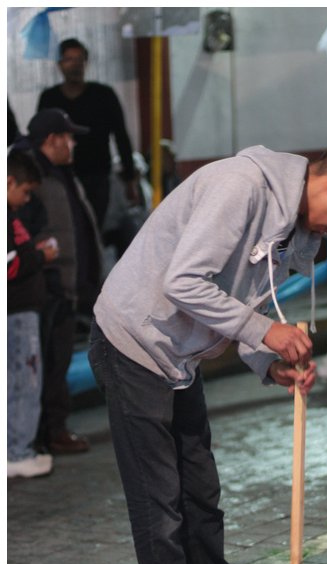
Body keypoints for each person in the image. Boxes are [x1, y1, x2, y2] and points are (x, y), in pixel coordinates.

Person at [88, 144, 327, 564]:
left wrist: (263, 361)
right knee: (159, 501)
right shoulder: (241, 187)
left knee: (200, 490)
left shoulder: (291, 219)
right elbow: (183, 283)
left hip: (178, 352)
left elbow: (245, 296)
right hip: (135, 340)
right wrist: (266, 333)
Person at [17, 108, 103, 455]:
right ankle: (43, 433)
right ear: (52, 139)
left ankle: (50, 429)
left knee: (59, 360)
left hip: (67, 283)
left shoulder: (62, 174)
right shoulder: (30, 175)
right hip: (46, 285)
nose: (72, 144)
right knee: (44, 364)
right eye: (68, 137)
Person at [37, 38, 138, 230]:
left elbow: (121, 135)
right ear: (59, 64)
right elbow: (39, 139)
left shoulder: (103, 95)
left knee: (93, 228)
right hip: (60, 177)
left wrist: (130, 177)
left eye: (79, 59)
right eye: (69, 59)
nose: (75, 65)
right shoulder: (49, 98)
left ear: (86, 62)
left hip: (97, 175)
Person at [7, 150, 59, 478]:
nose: (26, 200)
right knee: (24, 382)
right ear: (8, 181)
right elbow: (10, 265)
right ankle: (17, 452)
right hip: (16, 314)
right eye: (24, 191)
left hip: (21, 311)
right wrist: (40, 257)